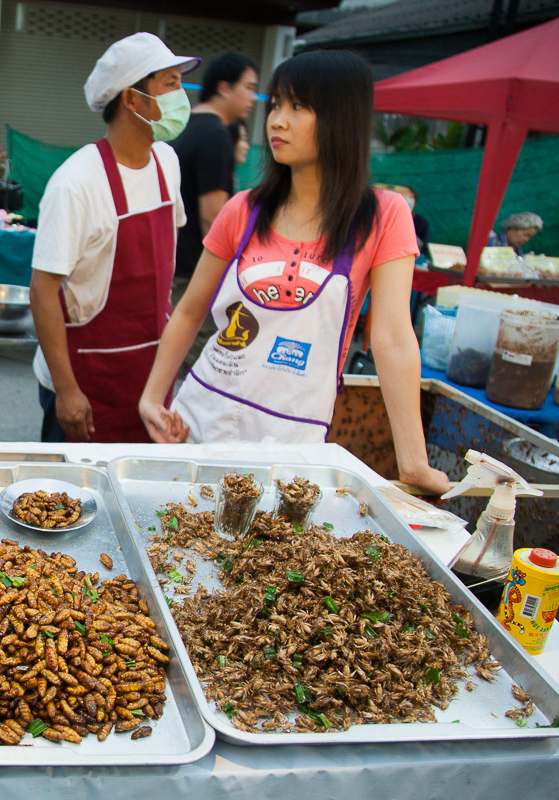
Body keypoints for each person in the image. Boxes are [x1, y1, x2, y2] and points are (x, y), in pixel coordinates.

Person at [138, 50, 450, 494]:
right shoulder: (244, 209)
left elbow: (393, 337)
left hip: (289, 445)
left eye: (298, 106)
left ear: (342, 117)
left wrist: (413, 464)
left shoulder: (383, 215)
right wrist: (154, 397)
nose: (277, 121)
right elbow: (189, 311)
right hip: (198, 423)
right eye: (277, 104)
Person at [30, 32, 199, 443]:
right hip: (85, 381)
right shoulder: (76, 181)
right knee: (69, 503)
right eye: (170, 83)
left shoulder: (167, 162)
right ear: (132, 99)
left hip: (149, 377)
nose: (182, 97)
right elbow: (42, 289)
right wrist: (67, 391)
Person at [171, 53, 258, 281]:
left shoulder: (184, 126)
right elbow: (213, 220)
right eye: (249, 88)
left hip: (170, 263)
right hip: (193, 274)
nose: (254, 97)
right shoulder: (216, 136)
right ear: (224, 87)